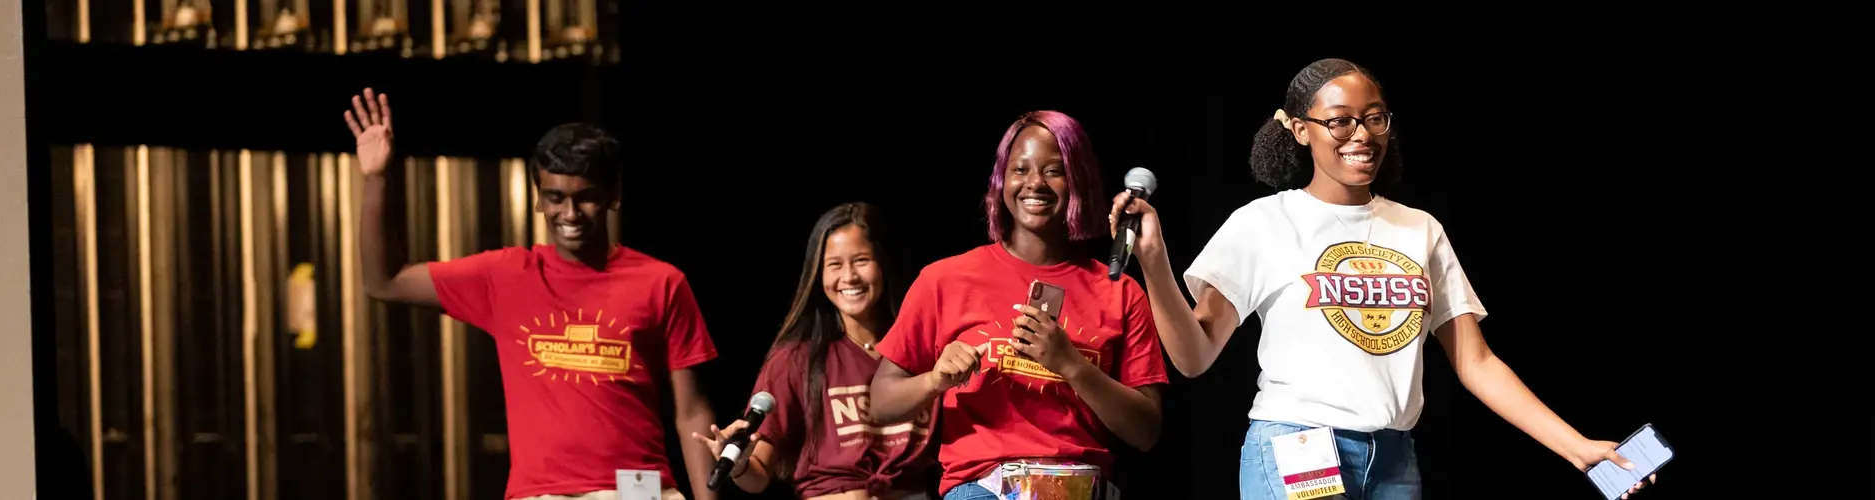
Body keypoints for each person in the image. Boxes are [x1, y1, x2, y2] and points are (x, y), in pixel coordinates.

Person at [1108, 58, 1657, 500]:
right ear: (1300, 130)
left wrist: (1576, 446)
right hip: (1299, 443)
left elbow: (1477, 361)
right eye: (1340, 120)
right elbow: (1194, 356)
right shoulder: (1265, 221)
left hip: (1395, 457)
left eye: (1375, 118)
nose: (1361, 134)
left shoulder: (1419, 229)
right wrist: (1154, 261)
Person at [343, 88, 723, 500]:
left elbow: (691, 411)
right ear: (539, 196)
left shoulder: (661, 282)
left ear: (614, 194)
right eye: (556, 198)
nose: (570, 214)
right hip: (542, 494)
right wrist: (377, 178)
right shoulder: (505, 275)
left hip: (638, 491)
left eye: (586, 198)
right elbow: (384, 281)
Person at [868, 111, 1168, 500]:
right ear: (1001, 180)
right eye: (1020, 169)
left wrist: (1071, 364)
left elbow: (1146, 432)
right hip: (982, 487)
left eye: (1053, 170)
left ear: (1079, 179)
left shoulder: (1119, 290)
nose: (1034, 183)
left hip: (1081, 488)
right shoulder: (944, 279)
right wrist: (935, 380)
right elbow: (880, 402)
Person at [691, 202, 940, 500]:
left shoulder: (923, 350)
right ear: (817, 273)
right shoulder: (796, 359)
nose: (849, 277)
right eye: (834, 265)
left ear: (884, 262)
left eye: (861, 260)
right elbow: (758, 477)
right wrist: (740, 465)